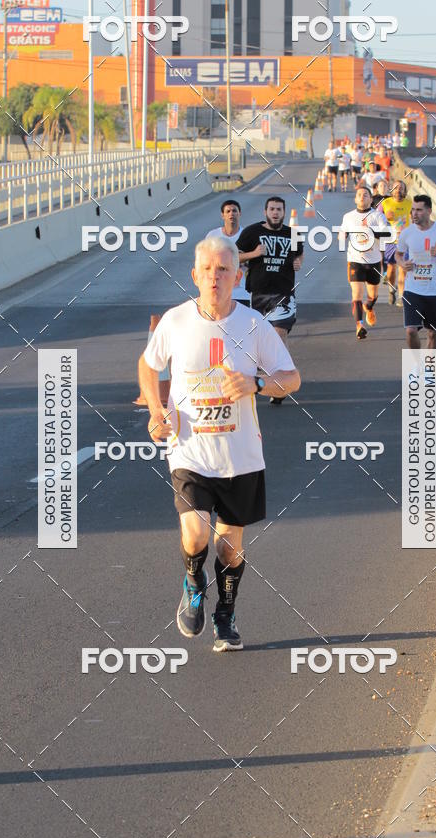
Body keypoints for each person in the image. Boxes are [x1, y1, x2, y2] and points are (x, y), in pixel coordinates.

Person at [138, 236, 301, 651]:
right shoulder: (175, 322)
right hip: (189, 451)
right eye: (208, 270)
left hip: (240, 456)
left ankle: (225, 615)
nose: (215, 277)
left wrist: (258, 383)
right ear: (195, 276)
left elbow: (292, 376)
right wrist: (158, 413)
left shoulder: (253, 325)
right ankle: (194, 582)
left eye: (224, 270)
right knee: (194, 536)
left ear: (238, 277)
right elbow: (148, 364)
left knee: (229, 548)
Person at [236, 197, 303, 404]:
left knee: (278, 335)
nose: (275, 213)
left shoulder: (291, 234)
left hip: (283, 293)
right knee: (264, 341)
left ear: (284, 213)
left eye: (279, 210)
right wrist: (253, 253)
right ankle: (277, 376)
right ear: (265, 211)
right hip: (258, 294)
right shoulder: (252, 232)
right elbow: (235, 257)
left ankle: (280, 386)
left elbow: (299, 253)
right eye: (272, 209)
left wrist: (298, 262)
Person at [395, 194, 436, 349]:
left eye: (419, 210)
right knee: (410, 330)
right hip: (412, 289)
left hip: (435, 291)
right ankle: (416, 365)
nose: (414, 214)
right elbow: (398, 254)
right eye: (413, 210)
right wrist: (402, 264)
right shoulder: (407, 232)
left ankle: (428, 369)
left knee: (432, 333)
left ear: (429, 211)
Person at [339, 186, 389, 340]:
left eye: (365, 195)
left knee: (373, 295)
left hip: (373, 260)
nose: (362, 197)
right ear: (355, 199)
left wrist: (371, 232)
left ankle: (369, 307)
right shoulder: (348, 217)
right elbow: (342, 234)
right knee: (357, 294)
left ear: (370, 199)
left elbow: (387, 233)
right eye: (359, 195)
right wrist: (342, 236)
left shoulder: (378, 216)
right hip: (355, 260)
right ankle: (359, 325)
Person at [206, 199, 250, 306]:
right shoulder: (212, 236)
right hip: (218, 291)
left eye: (234, 211)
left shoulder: (248, 235)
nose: (231, 214)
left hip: (241, 292)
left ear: (239, 214)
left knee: (241, 323)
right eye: (228, 211)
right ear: (223, 215)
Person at [381, 180, 412, 306]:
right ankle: (391, 289)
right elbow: (376, 218)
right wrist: (385, 217)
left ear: (405, 191)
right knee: (391, 269)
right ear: (392, 190)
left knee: (403, 269)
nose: (398, 190)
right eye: (396, 188)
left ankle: (401, 296)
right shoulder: (385, 203)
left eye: (401, 188)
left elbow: (415, 218)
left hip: (405, 241)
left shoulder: (409, 203)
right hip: (390, 241)